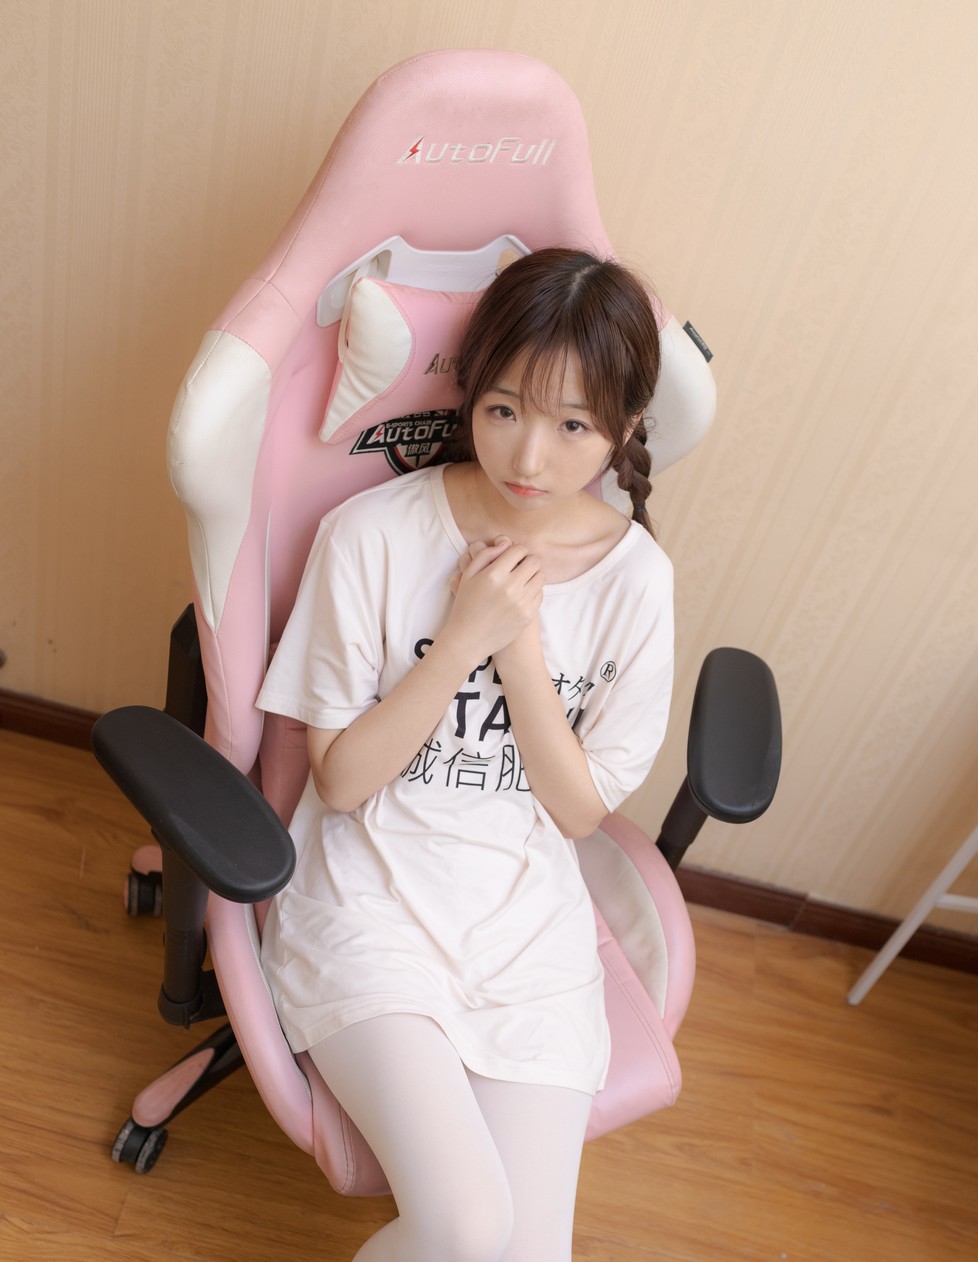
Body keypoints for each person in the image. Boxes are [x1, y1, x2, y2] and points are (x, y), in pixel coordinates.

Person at [256, 247, 675, 1261]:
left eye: (571, 426)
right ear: (469, 393)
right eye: (503, 409)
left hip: (526, 931)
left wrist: (518, 653)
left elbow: (577, 812)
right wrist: (457, 642)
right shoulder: (371, 535)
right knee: (466, 1226)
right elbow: (341, 782)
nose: (528, 456)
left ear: (622, 428)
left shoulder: (635, 581)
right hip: (369, 902)